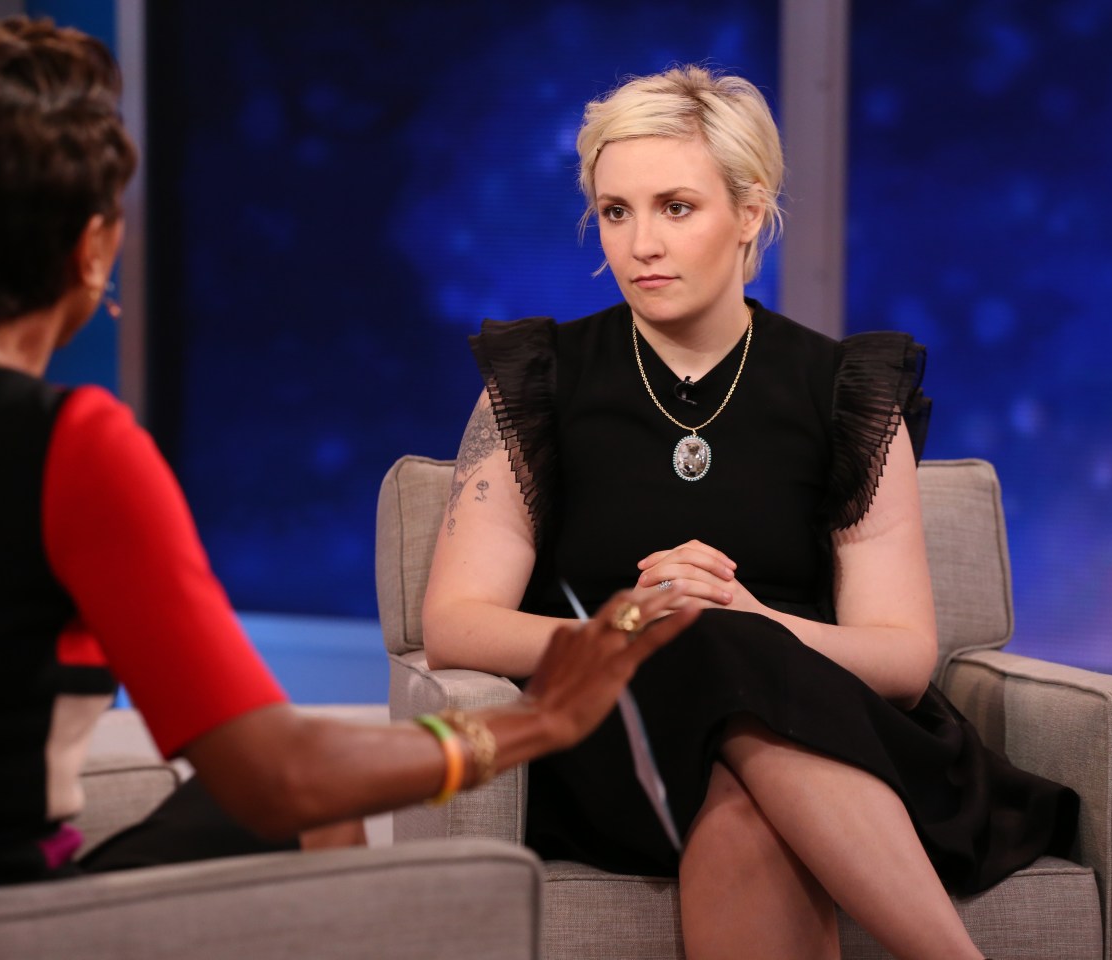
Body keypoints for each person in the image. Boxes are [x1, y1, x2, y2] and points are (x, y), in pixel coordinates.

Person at [0, 15, 700, 892]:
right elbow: (277, 777)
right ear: (93, 248)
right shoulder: (71, 444)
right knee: (308, 814)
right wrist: (540, 722)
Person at [421, 65, 1078, 960]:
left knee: (740, 767)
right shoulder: (538, 381)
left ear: (751, 213)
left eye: (676, 208)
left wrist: (750, 621)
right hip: (614, 746)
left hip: (828, 725)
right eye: (615, 212)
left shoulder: (847, 392)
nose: (641, 244)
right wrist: (635, 627)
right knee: (698, 643)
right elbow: (455, 625)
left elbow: (900, 657)